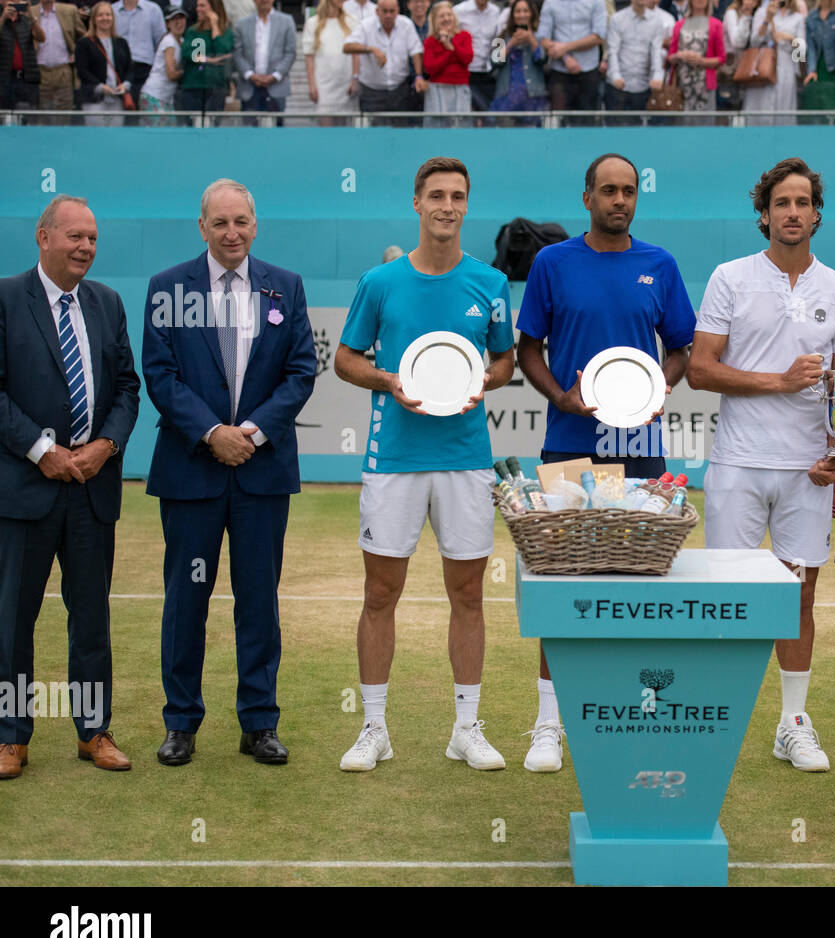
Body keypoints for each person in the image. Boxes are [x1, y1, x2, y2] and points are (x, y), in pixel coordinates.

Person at [514, 153, 695, 772]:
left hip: (640, 448)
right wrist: (560, 396)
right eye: (609, 190)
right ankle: (547, 724)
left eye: (630, 191)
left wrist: (658, 391)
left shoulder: (660, 265)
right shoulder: (551, 263)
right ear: (586, 196)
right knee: (561, 579)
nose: (620, 200)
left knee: (641, 579)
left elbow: (681, 350)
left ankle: (638, 712)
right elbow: (528, 348)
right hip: (570, 444)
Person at [334, 157, 515, 774]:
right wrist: (389, 379)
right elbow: (345, 359)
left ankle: (466, 728)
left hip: (466, 460)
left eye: (457, 196)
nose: (447, 205)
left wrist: (476, 381)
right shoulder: (380, 282)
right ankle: (373, 729)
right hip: (395, 460)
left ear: (467, 205)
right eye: (436, 195)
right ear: (417, 203)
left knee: (468, 594)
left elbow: (504, 365)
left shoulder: (490, 284)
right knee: (380, 592)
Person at [686, 158, 835, 773]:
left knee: (798, 600)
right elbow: (700, 370)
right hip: (737, 462)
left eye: (803, 202)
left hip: (807, 471)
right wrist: (778, 381)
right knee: (726, 599)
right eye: (781, 203)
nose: (792, 212)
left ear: (817, 212)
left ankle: (792, 724)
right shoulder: (730, 277)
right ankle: (715, 719)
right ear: (764, 213)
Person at [143, 178, 316, 767]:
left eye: (241, 221)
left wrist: (253, 433)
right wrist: (213, 433)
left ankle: (259, 723)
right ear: (202, 228)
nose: (232, 232)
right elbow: (161, 375)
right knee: (185, 601)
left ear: (255, 223)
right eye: (220, 223)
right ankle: (181, 723)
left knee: (259, 602)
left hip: (261, 476)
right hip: (191, 475)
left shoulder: (285, 287)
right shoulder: (168, 287)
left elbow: (301, 372)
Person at [0, 195, 140, 780]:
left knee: (91, 617)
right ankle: (10, 737)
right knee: (12, 620)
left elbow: (128, 387)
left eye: (92, 238)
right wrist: (42, 450)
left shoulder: (106, 303)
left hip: (91, 490)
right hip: (24, 489)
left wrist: (105, 446)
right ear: (43, 238)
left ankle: (94, 731)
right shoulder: (6, 299)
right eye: (74, 236)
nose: (85, 247)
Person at [343, 0, 426, 121]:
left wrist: (419, 76)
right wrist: (370, 49)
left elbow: (415, 51)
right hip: (372, 93)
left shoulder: (406, 24)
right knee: (374, 135)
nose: (388, 15)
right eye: (384, 11)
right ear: (377, 12)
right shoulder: (366, 26)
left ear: (398, 11)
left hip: (400, 91)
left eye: (392, 11)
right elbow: (347, 47)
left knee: (399, 133)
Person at [536, 0, 606, 114]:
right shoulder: (550, 3)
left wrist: (565, 48)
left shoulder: (596, 2)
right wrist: (565, 57)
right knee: (558, 119)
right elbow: (543, 38)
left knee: (587, 119)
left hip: (589, 69)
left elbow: (598, 36)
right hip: (560, 71)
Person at [605, 0, 669, 119]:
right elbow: (612, 51)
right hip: (619, 86)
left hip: (643, 86)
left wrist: (657, 77)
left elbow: (656, 52)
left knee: (641, 131)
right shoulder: (617, 19)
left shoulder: (656, 21)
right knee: (615, 130)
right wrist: (615, 76)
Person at [742, 0, 803, 124]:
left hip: (786, 68)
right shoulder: (761, 12)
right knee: (760, 110)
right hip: (763, 65)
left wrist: (790, 39)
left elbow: (800, 54)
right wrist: (767, 19)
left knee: (783, 110)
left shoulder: (798, 17)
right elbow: (754, 41)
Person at [232, 0, 296, 118]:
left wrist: (275, 76)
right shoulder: (241, 24)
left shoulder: (287, 21)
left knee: (276, 132)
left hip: (277, 87)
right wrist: (250, 75)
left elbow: (290, 52)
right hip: (249, 88)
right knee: (249, 132)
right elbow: (237, 53)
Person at [490, 0, 548, 119]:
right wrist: (511, 44)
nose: (522, 15)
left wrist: (531, 39)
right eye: (518, 11)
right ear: (512, 15)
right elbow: (494, 61)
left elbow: (542, 58)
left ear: (531, 13)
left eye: (525, 11)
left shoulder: (540, 35)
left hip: (532, 98)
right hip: (506, 98)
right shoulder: (502, 35)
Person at [75, 1, 132, 123]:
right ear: (94, 19)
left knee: (116, 138)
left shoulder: (121, 42)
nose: (105, 18)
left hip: (117, 99)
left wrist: (125, 84)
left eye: (108, 14)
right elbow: (82, 71)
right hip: (94, 100)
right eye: (100, 15)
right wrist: (101, 87)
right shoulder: (84, 43)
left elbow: (130, 69)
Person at [667, 0, 725, 119]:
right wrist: (680, 55)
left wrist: (701, 61)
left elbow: (721, 58)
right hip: (682, 84)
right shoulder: (679, 25)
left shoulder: (716, 24)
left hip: (705, 84)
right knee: (682, 123)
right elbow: (670, 57)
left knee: (706, 123)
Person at [303, 0, 359, 119]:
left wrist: (355, 79)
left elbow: (356, 54)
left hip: (345, 84)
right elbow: (309, 57)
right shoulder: (312, 23)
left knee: (346, 131)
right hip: (323, 85)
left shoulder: (352, 21)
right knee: (326, 130)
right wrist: (311, 85)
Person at [177, 0, 233, 115]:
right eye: (198, 6)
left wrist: (214, 25)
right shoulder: (193, 31)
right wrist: (208, 60)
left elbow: (221, 52)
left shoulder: (226, 33)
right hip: (193, 86)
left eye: (202, 6)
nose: (198, 9)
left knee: (212, 126)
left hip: (216, 87)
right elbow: (188, 53)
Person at [801, 0, 835, 115]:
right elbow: (810, 47)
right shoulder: (812, 15)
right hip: (819, 70)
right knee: (818, 112)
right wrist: (811, 70)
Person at [32, 0, 84, 117]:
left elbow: (84, 37)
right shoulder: (30, 12)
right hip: (39, 72)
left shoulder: (69, 10)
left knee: (65, 115)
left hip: (63, 71)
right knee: (42, 117)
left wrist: (77, 54)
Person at [423, 0, 472, 120]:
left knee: (460, 126)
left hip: (460, 88)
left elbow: (467, 58)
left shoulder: (465, 36)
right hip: (438, 89)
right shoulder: (430, 41)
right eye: (441, 16)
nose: (446, 19)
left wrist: (451, 43)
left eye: (449, 15)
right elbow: (431, 68)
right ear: (435, 20)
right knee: (439, 128)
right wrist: (449, 51)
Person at [452, 0, 501, 112]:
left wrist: (499, 63)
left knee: (489, 116)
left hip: (488, 73)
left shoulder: (496, 11)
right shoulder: (459, 11)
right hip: (465, 73)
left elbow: (499, 40)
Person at [138, 5, 186, 118]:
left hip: (166, 98)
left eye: (181, 18)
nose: (179, 22)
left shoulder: (183, 41)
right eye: (174, 19)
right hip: (155, 96)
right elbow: (171, 74)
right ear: (167, 24)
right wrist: (184, 71)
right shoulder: (169, 42)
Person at [111, 0, 163, 98]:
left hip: (145, 68)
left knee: (144, 106)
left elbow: (160, 42)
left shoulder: (153, 10)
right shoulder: (112, 11)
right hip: (119, 69)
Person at [1, 0, 42, 110]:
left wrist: (31, 13)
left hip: (26, 77)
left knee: (27, 114)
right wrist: (3, 18)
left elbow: (42, 38)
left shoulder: (25, 20)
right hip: (4, 78)